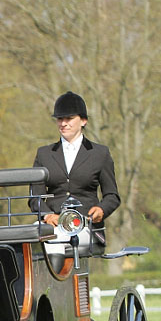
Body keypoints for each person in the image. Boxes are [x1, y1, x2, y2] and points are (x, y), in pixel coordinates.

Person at [30, 91, 120, 254]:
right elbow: (34, 197)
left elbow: (112, 196)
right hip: (53, 224)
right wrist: (47, 215)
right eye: (60, 119)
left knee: (57, 241)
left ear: (83, 121)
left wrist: (101, 210)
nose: (63, 123)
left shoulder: (100, 154)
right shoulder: (44, 154)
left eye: (69, 119)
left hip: (85, 224)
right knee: (45, 238)